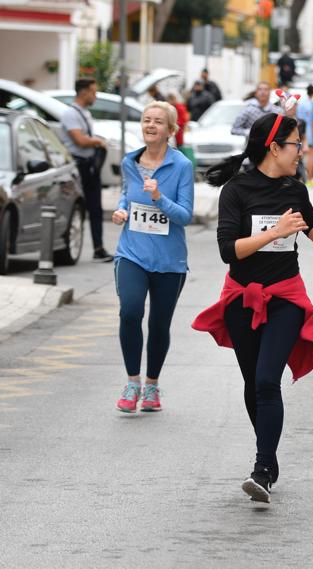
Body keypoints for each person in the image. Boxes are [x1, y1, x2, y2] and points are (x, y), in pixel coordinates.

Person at [194, 112, 313, 503]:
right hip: (242, 298)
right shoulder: (237, 191)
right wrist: (273, 233)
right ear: (274, 147)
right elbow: (230, 251)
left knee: (266, 380)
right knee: (252, 384)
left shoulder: (295, 188)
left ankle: (261, 468)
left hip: (285, 298)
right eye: (296, 143)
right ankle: (270, 458)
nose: (302, 150)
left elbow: (310, 222)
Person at [109, 101, 194, 413]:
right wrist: (121, 209)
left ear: (170, 130)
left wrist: (159, 198)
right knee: (130, 311)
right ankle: (132, 382)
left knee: (159, 325)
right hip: (131, 252)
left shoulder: (181, 165)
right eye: (146, 120)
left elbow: (185, 215)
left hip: (169, 260)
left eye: (158, 122)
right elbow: (126, 194)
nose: (151, 125)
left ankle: (152, 386)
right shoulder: (130, 162)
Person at [59, 78, 113, 262]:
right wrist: (98, 141)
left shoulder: (85, 113)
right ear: (84, 92)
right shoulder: (70, 114)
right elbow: (79, 140)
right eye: (93, 92)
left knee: (96, 208)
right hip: (78, 166)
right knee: (78, 207)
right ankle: (69, 247)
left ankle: (98, 248)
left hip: (89, 165)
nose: (95, 96)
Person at [231, 82, 296, 137]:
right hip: (251, 147)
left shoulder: (278, 111)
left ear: (270, 93)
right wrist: (249, 132)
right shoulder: (247, 111)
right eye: (260, 89)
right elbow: (234, 129)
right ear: (256, 93)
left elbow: (284, 130)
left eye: (266, 89)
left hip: (271, 148)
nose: (263, 92)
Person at [296, 84, 313, 186]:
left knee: (298, 157)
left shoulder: (300, 104)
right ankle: (310, 179)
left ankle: (300, 177)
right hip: (309, 134)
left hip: (299, 132)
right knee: (311, 157)